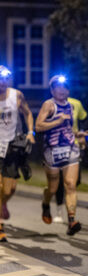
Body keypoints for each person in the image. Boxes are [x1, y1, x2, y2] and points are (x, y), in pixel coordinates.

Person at [35, 75, 87, 236]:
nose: (62, 90)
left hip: (70, 148)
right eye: (58, 87)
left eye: (65, 88)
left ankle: (72, 221)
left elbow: (67, 129)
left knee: (70, 185)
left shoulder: (71, 106)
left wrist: (78, 134)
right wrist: (57, 121)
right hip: (52, 151)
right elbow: (38, 126)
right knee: (53, 187)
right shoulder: (49, 105)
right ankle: (45, 203)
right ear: (52, 90)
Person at [0, 65, 36, 242]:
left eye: (5, 78)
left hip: (13, 145)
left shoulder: (17, 95)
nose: (2, 82)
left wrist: (31, 132)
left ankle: (3, 202)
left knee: (10, 188)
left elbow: (28, 114)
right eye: (0, 79)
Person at [53, 97, 88, 223]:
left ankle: (69, 205)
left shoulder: (76, 103)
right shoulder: (51, 104)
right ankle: (59, 211)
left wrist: (82, 134)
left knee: (75, 181)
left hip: (74, 144)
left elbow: (84, 119)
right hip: (57, 146)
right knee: (60, 181)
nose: (61, 90)